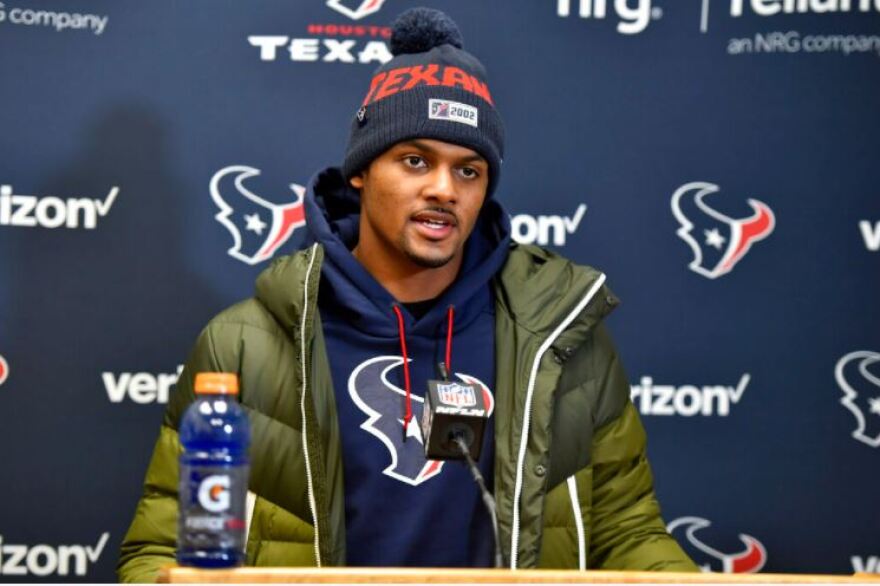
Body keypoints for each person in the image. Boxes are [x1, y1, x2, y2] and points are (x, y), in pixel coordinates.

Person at [117, 7, 696, 582]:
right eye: (415, 161)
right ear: (362, 171)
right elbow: (160, 552)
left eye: (468, 171)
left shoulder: (561, 341)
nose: (444, 189)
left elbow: (627, 532)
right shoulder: (244, 347)